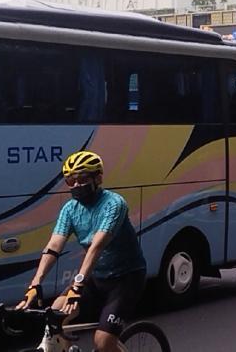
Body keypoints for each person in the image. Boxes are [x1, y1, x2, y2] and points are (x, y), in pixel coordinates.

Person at [17, 151, 147, 352]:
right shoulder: (70, 209)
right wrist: (35, 283)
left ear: (98, 178)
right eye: (70, 180)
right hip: (95, 278)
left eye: (83, 179)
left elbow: (97, 246)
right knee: (53, 319)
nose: (76, 185)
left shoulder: (114, 204)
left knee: (103, 342)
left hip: (125, 279)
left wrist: (77, 286)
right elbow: (53, 247)